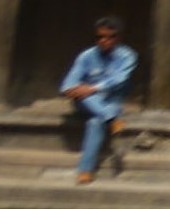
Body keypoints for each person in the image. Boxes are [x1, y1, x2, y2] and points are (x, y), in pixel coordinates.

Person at [57, 16, 137, 184]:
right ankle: (112, 118)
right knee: (86, 98)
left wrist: (92, 88)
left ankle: (85, 170)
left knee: (95, 123)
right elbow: (67, 85)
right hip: (86, 102)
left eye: (110, 37)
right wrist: (77, 90)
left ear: (118, 38)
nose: (104, 41)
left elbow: (119, 79)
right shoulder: (86, 56)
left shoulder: (127, 56)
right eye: (100, 37)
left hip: (111, 101)